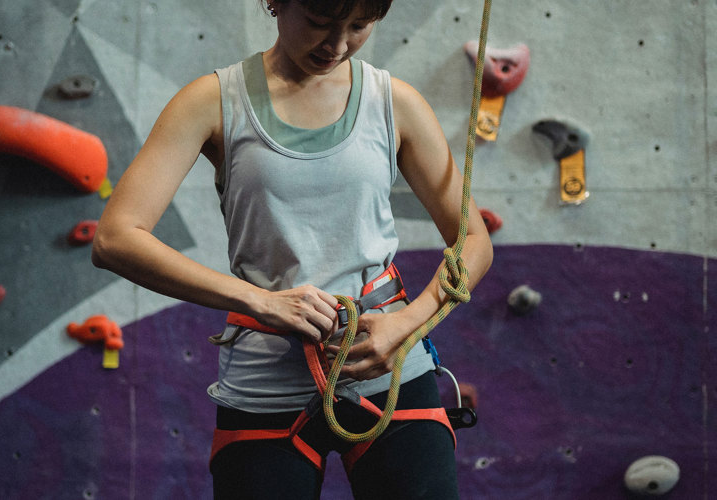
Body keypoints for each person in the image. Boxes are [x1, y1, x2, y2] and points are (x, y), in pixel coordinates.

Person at [92, 0, 493, 498]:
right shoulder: (213, 101)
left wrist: (406, 325)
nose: (338, 45)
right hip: (264, 380)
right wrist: (260, 300)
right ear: (276, 3)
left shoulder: (395, 103)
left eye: (359, 26)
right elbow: (115, 238)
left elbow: (474, 241)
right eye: (322, 23)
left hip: (389, 365)